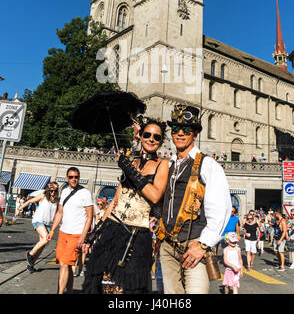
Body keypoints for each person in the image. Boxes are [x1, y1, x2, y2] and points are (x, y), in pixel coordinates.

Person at [82, 116, 169, 294]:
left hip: (138, 234)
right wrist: (96, 231)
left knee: (131, 287)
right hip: (112, 229)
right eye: (147, 134)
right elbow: (114, 201)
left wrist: (128, 169)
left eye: (157, 137)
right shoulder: (132, 162)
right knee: (100, 282)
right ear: (141, 136)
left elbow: (154, 196)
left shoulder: (163, 164)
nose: (151, 139)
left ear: (161, 142)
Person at [155, 103, 232, 294]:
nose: (180, 133)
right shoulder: (167, 164)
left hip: (194, 246)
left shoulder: (208, 164)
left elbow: (222, 208)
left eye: (186, 129)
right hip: (167, 248)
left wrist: (204, 244)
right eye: (175, 129)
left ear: (195, 133)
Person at [47, 167, 94, 294]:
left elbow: (90, 217)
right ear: (67, 178)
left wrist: (82, 237)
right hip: (63, 233)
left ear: (79, 177)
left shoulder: (85, 193)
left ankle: (60, 293)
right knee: (65, 264)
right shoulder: (64, 192)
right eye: (71, 177)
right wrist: (52, 231)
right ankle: (69, 292)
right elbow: (59, 213)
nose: (74, 179)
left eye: (76, 177)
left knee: (63, 263)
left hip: (76, 234)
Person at [16, 182, 60, 273]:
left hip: (48, 223)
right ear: (48, 190)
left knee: (42, 245)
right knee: (45, 239)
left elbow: (57, 214)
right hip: (38, 220)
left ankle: (30, 265)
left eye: (55, 191)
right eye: (51, 191)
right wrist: (19, 209)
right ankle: (30, 254)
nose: (53, 193)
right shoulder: (43, 196)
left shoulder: (57, 200)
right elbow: (29, 201)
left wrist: (59, 223)